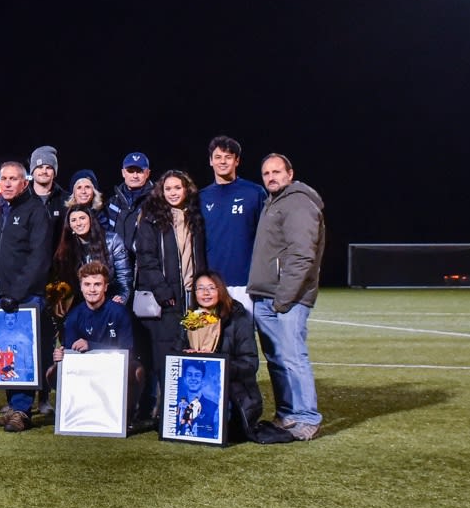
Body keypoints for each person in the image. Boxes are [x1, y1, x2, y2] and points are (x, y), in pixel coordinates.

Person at [247, 153, 326, 441]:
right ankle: (287, 414)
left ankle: (306, 417)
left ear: (290, 174)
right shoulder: (274, 202)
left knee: (293, 357)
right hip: (268, 296)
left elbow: (302, 254)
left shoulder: (298, 202)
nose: (271, 177)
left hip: (286, 299)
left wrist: (284, 297)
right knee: (278, 359)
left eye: (276, 171)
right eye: (266, 173)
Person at [133, 169, 207, 431]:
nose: (173, 193)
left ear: (186, 190)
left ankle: (184, 411)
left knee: (189, 353)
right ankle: (162, 412)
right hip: (168, 300)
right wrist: (164, 293)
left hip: (192, 297)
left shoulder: (195, 217)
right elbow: (146, 259)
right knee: (164, 358)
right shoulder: (151, 219)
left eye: (178, 188)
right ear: (161, 192)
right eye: (168, 189)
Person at [0, 161, 53, 432]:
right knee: (5, 356)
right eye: (4, 178)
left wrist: (17, 292)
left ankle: (22, 410)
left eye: (14, 179)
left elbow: (39, 258)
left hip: (23, 298)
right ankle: (12, 406)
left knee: (22, 354)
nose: (8, 183)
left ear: (25, 182)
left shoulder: (35, 211)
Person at [52, 261, 137, 419]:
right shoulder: (73, 316)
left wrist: (91, 346)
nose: (92, 289)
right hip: (85, 372)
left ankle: (127, 416)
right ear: (81, 287)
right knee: (52, 372)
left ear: (105, 287)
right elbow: (70, 354)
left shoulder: (120, 312)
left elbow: (127, 352)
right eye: (87, 284)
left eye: (97, 284)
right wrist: (60, 356)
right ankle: (71, 412)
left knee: (137, 371)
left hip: (113, 370)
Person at [189, 270, 262, 442]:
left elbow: (250, 363)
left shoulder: (238, 318)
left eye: (211, 288)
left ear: (220, 290)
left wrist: (218, 364)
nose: (205, 293)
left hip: (233, 392)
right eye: (200, 288)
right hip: (199, 392)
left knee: (217, 418)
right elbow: (175, 352)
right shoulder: (192, 318)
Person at [199, 135, 268, 311]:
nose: (223, 162)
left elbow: (268, 237)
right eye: (218, 157)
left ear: (237, 161)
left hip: (246, 283)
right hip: (212, 284)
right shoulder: (201, 197)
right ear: (210, 161)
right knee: (213, 336)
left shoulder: (254, 193)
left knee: (244, 336)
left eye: (228, 157)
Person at [52, 207, 132, 306]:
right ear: (69, 225)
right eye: (73, 220)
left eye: (82, 218)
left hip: (109, 299)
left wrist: (121, 298)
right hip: (79, 303)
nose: (78, 223)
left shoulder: (113, 241)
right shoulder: (66, 246)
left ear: (90, 220)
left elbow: (124, 277)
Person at [103, 152, 153, 249]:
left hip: (145, 261)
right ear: (123, 173)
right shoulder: (112, 202)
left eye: (139, 171)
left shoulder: (156, 201)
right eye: (130, 171)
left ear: (147, 173)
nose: (135, 176)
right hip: (117, 261)